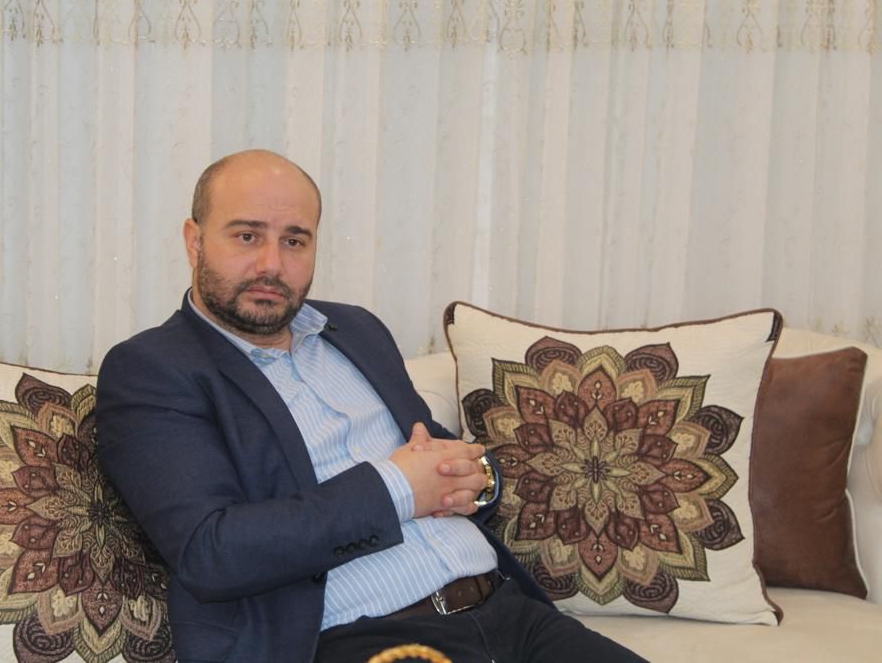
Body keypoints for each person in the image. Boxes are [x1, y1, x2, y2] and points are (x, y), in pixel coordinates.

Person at [96, 150, 643, 663]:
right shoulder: (153, 369)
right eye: (246, 236)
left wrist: (478, 477)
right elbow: (211, 552)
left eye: (294, 240)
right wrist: (399, 487)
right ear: (194, 241)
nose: (271, 264)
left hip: (512, 617)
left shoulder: (356, 330)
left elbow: (440, 452)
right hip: (369, 638)